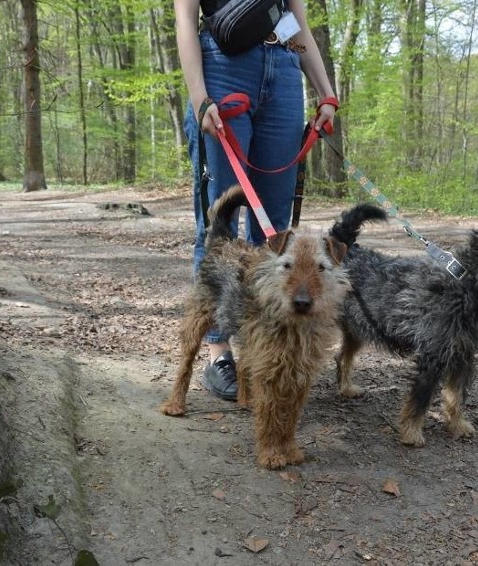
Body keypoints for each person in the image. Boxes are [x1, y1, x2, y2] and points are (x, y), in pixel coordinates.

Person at [175, 0, 338, 400]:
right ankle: (218, 353)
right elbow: (186, 20)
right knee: (220, 226)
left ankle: (268, 347)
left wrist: (326, 93)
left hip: (283, 67)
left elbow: (297, 25)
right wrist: (200, 98)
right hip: (223, 66)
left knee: (276, 232)